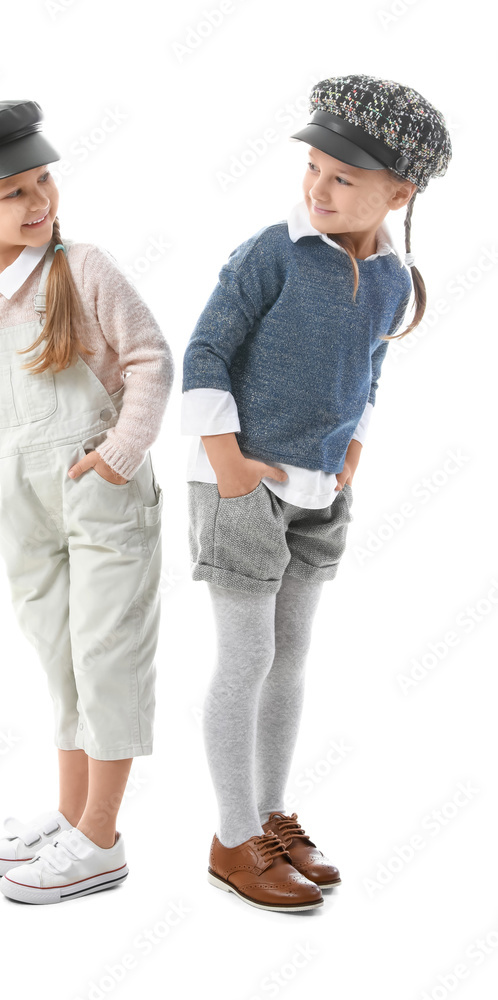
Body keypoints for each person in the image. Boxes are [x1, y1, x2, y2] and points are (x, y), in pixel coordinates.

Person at [181, 74, 452, 912]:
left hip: (319, 488)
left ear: (398, 193)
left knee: (291, 656)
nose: (319, 188)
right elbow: (206, 351)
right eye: (314, 168)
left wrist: (357, 447)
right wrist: (225, 458)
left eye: (345, 177)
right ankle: (232, 838)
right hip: (242, 484)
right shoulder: (275, 250)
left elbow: (368, 369)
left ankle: (268, 815)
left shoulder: (393, 280)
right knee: (248, 655)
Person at [0, 100, 174, 905]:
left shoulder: (82, 268)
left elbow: (150, 360)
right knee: (60, 659)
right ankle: (69, 814)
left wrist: (121, 454)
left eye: (42, 179)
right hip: (20, 502)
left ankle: (102, 837)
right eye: (12, 192)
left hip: (100, 495)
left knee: (105, 655)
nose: (38, 200)